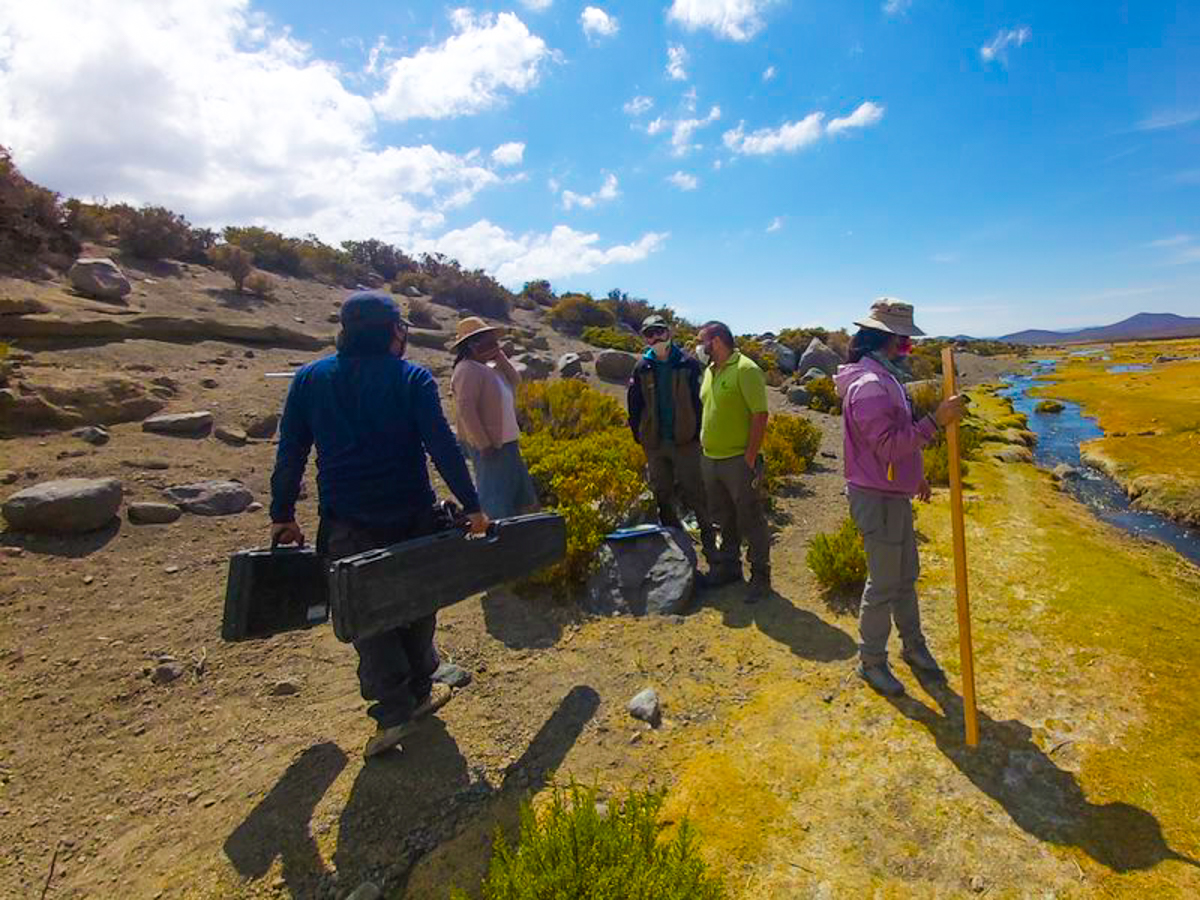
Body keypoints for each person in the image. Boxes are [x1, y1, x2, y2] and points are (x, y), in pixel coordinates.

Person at [269, 291, 489, 758]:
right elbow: (442, 449)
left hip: (347, 523)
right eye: (401, 329)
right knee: (418, 601)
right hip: (413, 516)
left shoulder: (309, 380)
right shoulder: (411, 378)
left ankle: (401, 704)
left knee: (370, 618)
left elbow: (291, 452)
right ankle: (402, 706)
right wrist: (472, 505)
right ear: (395, 331)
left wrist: (282, 515)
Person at [833, 298, 967, 697]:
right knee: (885, 583)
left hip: (892, 492)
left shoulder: (885, 377)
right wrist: (936, 421)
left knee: (905, 577)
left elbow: (898, 444)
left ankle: (913, 646)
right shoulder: (871, 387)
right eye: (905, 341)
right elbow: (889, 447)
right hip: (877, 497)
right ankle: (871, 661)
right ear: (887, 340)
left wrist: (918, 476)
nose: (908, 347)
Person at [626, 314, 719, 573]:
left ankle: (711, 549)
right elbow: (634, 405)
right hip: (655, 443)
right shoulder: (641, 367)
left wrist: (699, 433)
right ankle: (676, 548)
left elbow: (701, 401)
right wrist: (639, 436)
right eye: (649, 334)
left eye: (659, 331)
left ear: (669, 333)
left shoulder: (688, 364)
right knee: (662, 493)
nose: (655, 338)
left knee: (696, 493)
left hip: (686, 441)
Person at [696, 320, 772, 601]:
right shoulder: (709, 371)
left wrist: (750, 457)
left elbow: (760, 415)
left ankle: (761, 576)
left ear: (715, 341)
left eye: (701, 340)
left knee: (750, 518)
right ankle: (729, 568)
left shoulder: (746, 369)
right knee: (723, 517)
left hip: (738, 461)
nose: (698, 346)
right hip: (711, 459)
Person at [450, 316, 539, 519]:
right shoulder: (467, 369)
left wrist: (500, 358)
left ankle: (519, 535)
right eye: (486, 342)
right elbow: (466, 409)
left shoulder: (489, 368)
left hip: (507, 442)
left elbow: (515, 380)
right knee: (495, 496)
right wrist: (483, 443)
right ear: (471, 346)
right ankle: (499, 541)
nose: (492, 346)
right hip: (491, 445)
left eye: (493, 342)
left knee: (515, 492)